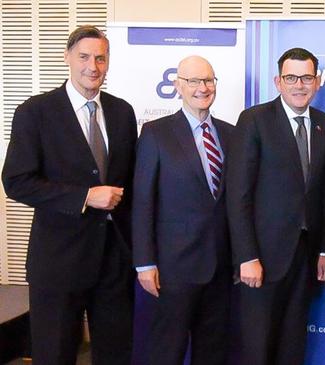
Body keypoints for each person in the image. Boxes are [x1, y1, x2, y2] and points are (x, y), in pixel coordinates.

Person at [1, 25, 136, 364]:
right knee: (55, 354)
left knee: (115, 354)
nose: (93, 66)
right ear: (68, 58)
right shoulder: (35, 112)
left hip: (114, 263)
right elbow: (16, 181)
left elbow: (131, 182)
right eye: (84, 57)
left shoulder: (122, 112)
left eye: (101, 58)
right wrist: (84, 197)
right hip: (58, 262)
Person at [227, 47, 325, 365]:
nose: (299, 84)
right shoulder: (255, 120)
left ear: (317, 82)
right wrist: (247, 256)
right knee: (257, 348)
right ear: (278, 81)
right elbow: (238, 194)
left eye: (306, 77)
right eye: (291, 77)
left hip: (304, 260)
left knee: (293, 346)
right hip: (261, 260)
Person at [131, 56, 233, 364]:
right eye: (193, 81)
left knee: (213, 352)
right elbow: (143, 201)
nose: (202, 88)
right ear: (177, 85)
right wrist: (145, 263)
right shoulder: (156, 133)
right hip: (173, 270)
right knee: (167, 351)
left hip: (220, 268)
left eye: (209, 80)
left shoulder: (231, 133)